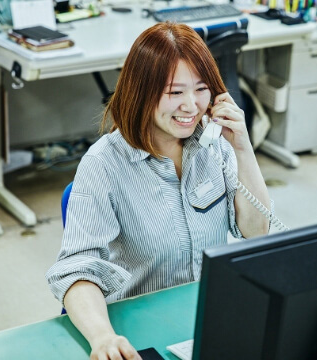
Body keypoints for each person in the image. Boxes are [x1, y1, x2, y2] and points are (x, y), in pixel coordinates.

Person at [45, 22, 271, 359]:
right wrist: (103, 338)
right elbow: (78, 269)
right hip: (137, 329)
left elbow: (256, 231)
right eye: (175, 92)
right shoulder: (103, 164)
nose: (192, 106)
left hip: (202, 320)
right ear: (142, 92)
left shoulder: (213, 144)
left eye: (201, 89)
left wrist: (242, 147)